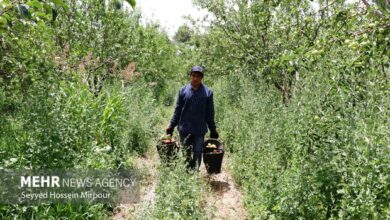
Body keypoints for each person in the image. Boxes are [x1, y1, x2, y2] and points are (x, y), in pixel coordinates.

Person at [166, 66, 219, 170]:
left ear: (202, 78)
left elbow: (210, 113)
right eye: (194, 75)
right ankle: (187, 173)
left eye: (198, 76)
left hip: (199, 130)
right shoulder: (183, 91)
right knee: (186, 152)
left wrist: (213, 129)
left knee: (198, 152)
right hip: (184, 129)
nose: (195, 78)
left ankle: (194, 174)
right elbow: (178, 110)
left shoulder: (208, 93)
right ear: (190, 76)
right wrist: (171, 125)